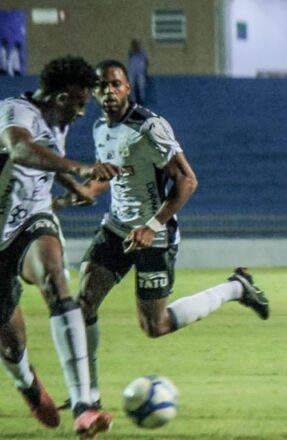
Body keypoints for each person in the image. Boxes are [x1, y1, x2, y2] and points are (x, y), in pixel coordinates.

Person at [57, 60, 270, 410]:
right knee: (84, 303)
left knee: (154, 326)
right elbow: (107, 177)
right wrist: (73, 197)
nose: (108, 92)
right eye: (101, 86)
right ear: (94, 92)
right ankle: (88, 397)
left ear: (127, 87)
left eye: (115, 84)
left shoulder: (149, 127)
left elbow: (187, 180)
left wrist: (151, 226)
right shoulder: (100, 128)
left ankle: (236, 287)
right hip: (117, 228)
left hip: (154, 233)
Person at [0, 55, 120, 437]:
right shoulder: (14, 111)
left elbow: (45, 160)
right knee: (11, 343)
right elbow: (21, 151)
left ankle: (84, 404)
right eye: (80, 103)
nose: (83, 113)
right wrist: (80, 169)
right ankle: (27, 383)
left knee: (56, 278)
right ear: (59, 96)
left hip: (31, 221)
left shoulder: (55, 118)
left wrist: (77, 189)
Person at [127, 39, 149, 105]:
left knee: (141, 85)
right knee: (131, 85)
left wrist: (145, 71)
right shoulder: (131, 52)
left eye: (136, 45)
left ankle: (142, 100)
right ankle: (132, 100)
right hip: (132, 72)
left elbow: (146, 61)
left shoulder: (142, 52)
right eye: (134, 45)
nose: (136, 46)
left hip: (140, 72)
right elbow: (130, 61)